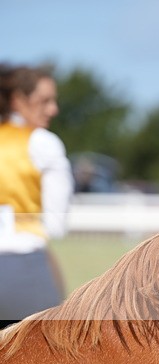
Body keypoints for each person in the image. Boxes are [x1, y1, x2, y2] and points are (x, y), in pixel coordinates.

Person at [0, 64, 73, 329]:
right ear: (18, 100)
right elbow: (56, 225)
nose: (53, 109)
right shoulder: (43, 143)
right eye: (44, 101)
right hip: (22, 267)